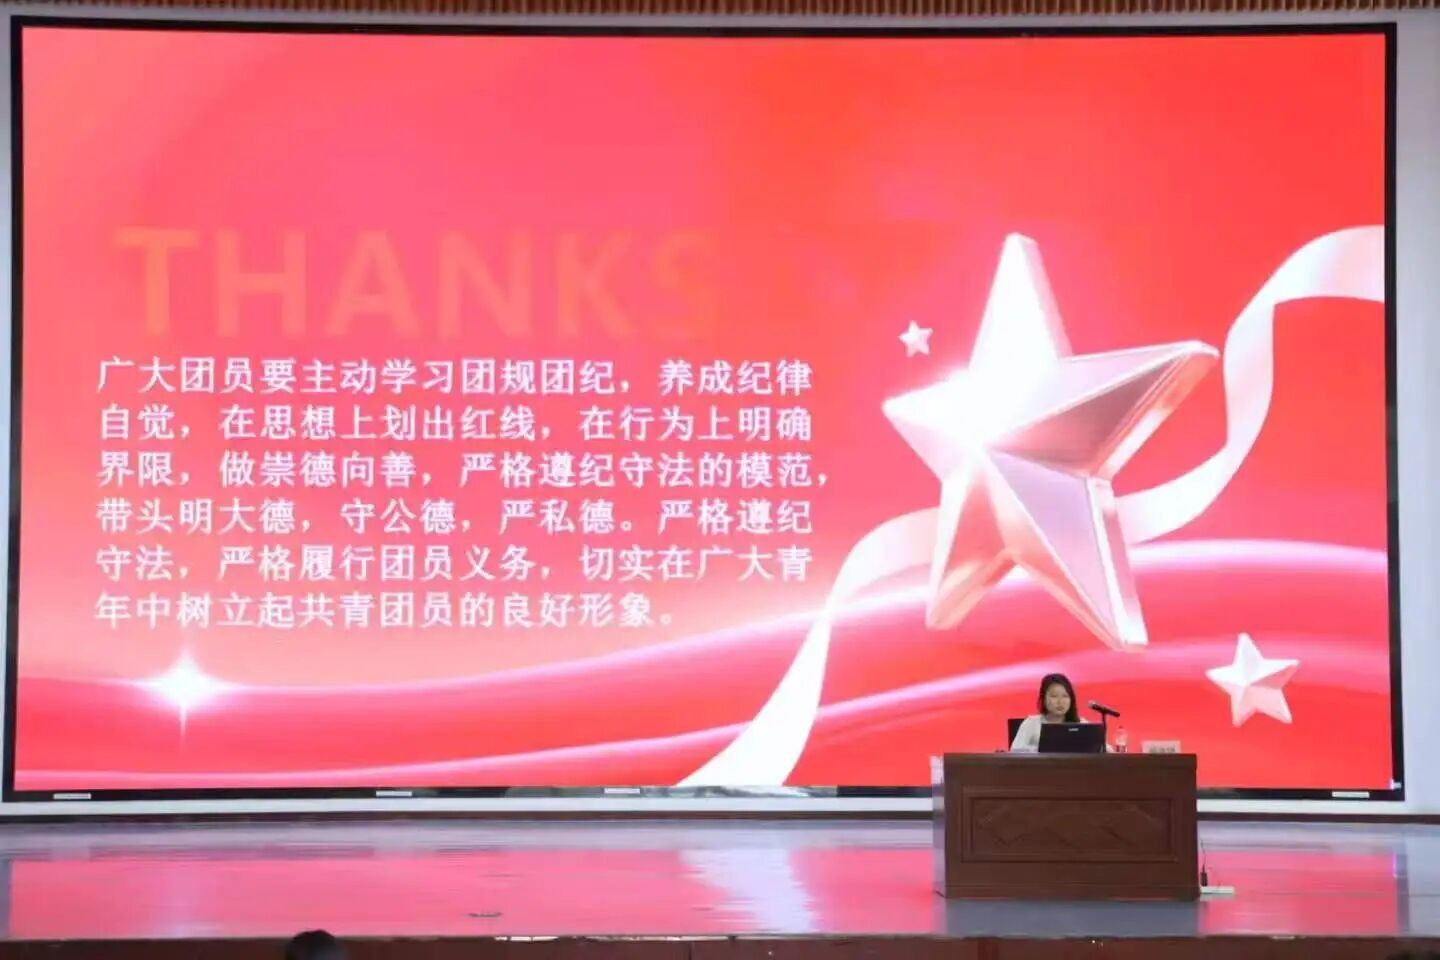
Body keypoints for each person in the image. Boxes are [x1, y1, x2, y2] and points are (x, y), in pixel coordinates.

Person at [1009, 673, 1080, 752]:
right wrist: (1041, 749)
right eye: (1054, 696)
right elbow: (1015, 751)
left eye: (1065, 696)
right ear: (1043, 699)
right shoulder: (1031, 723)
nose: (1060, 702)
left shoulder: (1081, 724)